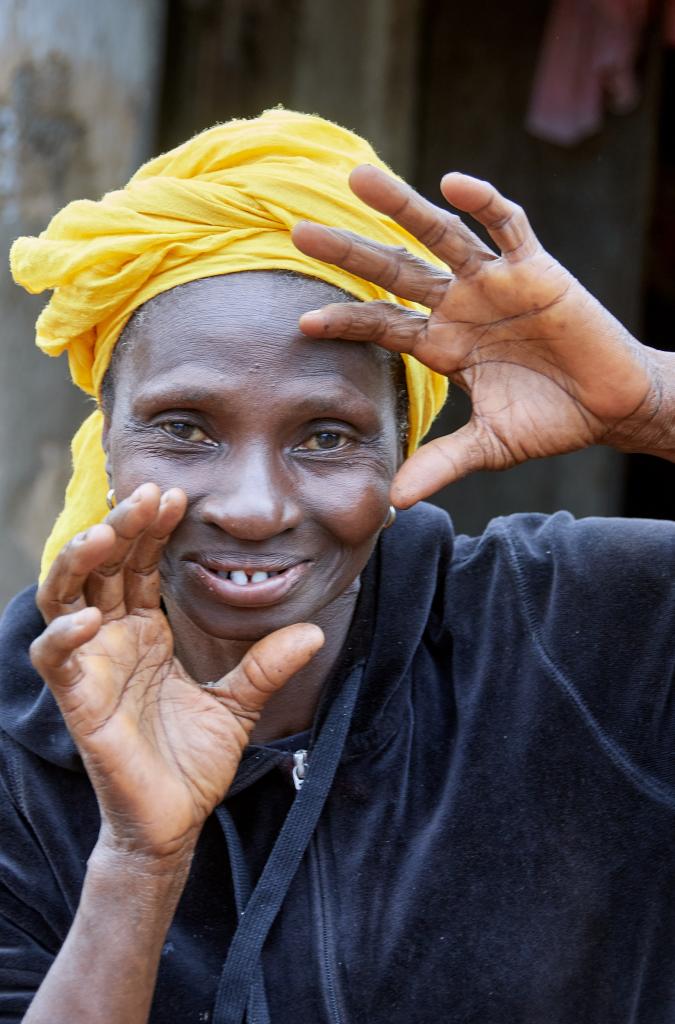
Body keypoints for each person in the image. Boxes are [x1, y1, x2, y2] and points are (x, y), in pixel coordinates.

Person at [1, 108, 673, 1024]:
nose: (252, 507)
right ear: (103, 437)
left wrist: (648, 402)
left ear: (402, 445)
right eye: (183, 429)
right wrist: (137, 863)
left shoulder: (580, 632)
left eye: (325, 437)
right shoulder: (19, 739)